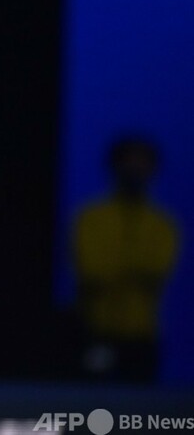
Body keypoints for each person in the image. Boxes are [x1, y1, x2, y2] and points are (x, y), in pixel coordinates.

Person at [72, 135, 179, 382]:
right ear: (114, 167)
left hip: (142, 335)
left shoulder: (163, 224)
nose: (134, 171)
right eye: (128, 164)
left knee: (140, 399)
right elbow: (92, 272)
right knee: (93, 398)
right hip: (97, 331)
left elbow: (155, 275)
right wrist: (131, 271)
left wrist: (119, 269)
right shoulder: (91, 218)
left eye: (141, 165)